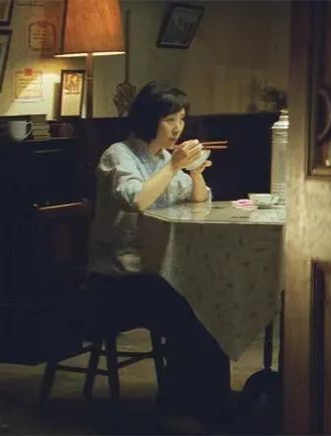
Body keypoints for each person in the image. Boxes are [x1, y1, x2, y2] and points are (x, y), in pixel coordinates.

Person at [83, 81, 230, 430]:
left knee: (212, 303)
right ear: (150, 119)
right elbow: (136, 200)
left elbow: (198, 201)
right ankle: (186, 405)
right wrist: (174, 167)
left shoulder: (165, 158)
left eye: (181, 119)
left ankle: (206, 404)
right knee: (188, 311)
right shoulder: (119, 154)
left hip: (158, 271)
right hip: (116, 278)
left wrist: (194, 173)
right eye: (169, 119)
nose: (178, 128)